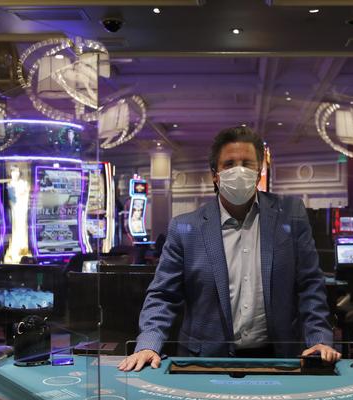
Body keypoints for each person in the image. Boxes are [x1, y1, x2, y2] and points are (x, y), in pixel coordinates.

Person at [118, 126, 340, 372]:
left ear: (258, 172)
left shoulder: (291, 215)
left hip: (278, 357)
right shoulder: (185, 227)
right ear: (215, 174)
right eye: (229, 164)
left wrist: (319, 339)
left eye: (247, 163)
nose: (239, 171)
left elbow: (310, 285)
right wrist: (149, 344)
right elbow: (163, 295)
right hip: (205, 362)